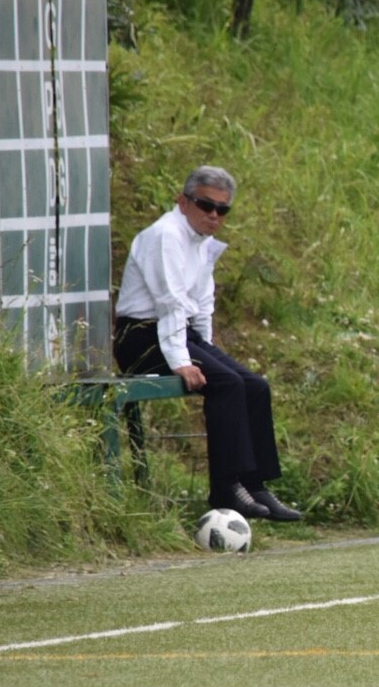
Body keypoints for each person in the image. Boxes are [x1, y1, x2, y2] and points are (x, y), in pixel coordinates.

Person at [113, 166, 302, 522]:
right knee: (227, 385)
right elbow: (169, 302)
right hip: (140, 338)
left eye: (222, 209)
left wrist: (208, 351)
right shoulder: (166, 235)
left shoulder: (201, 242)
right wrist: (181, 361)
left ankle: (255, 484)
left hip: (178, 333)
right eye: (206, 205)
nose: (214, 215)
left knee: (254, 386)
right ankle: (225, 488)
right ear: (183, 201)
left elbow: (202, 305)